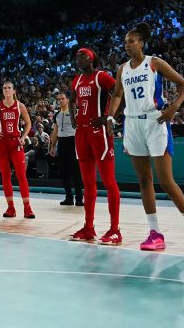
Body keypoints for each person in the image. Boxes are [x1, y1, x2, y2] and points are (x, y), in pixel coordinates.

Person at [111, 24, 184, 253]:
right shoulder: (122, 69)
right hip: (131, 124)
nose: (127, 45)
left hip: (155, 122)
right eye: (125, 42)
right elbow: (117, 94)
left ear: (141, 42)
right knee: (144, 181)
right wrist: (109, 117)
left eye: (131, 41)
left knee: (166, 181)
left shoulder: (154, 62)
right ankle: (155, 232)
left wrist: (174, 107)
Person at [67, 46, 120, 243]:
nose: (78, 59)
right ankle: (88, 227)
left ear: (91, 59)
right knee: (88, 184)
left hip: (99, 133)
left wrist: (109, 116)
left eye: (82, 56)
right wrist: (73, 118)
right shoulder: (77, 80)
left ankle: (115, 229)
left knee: (108, 182)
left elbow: (119, 92)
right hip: (81, 133)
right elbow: (72, 100)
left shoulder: (102, 77)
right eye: (77, 57)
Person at [0, 81, 35, 219]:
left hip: (15, 143)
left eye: (9, 88)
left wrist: (23, 137)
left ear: (14, 90)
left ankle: (27, 208)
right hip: (1, 144)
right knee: (5, 176)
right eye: (4, 88)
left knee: (21, 175)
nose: (7, 90)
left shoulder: (20, 106)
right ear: (2, 91)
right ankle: (11, 208)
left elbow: (29, 124)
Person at [48, 91, 79, 206]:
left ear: (67, 99)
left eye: (62, 98)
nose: (60, 101)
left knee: (77, 172)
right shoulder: (57, 115)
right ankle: (69, 198)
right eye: (58, 99)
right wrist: (52, 146)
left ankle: (79, 198)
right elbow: (55, 132)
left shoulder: (75, 112)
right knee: (64, 172)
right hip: (62, 143)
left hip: (74, 141)